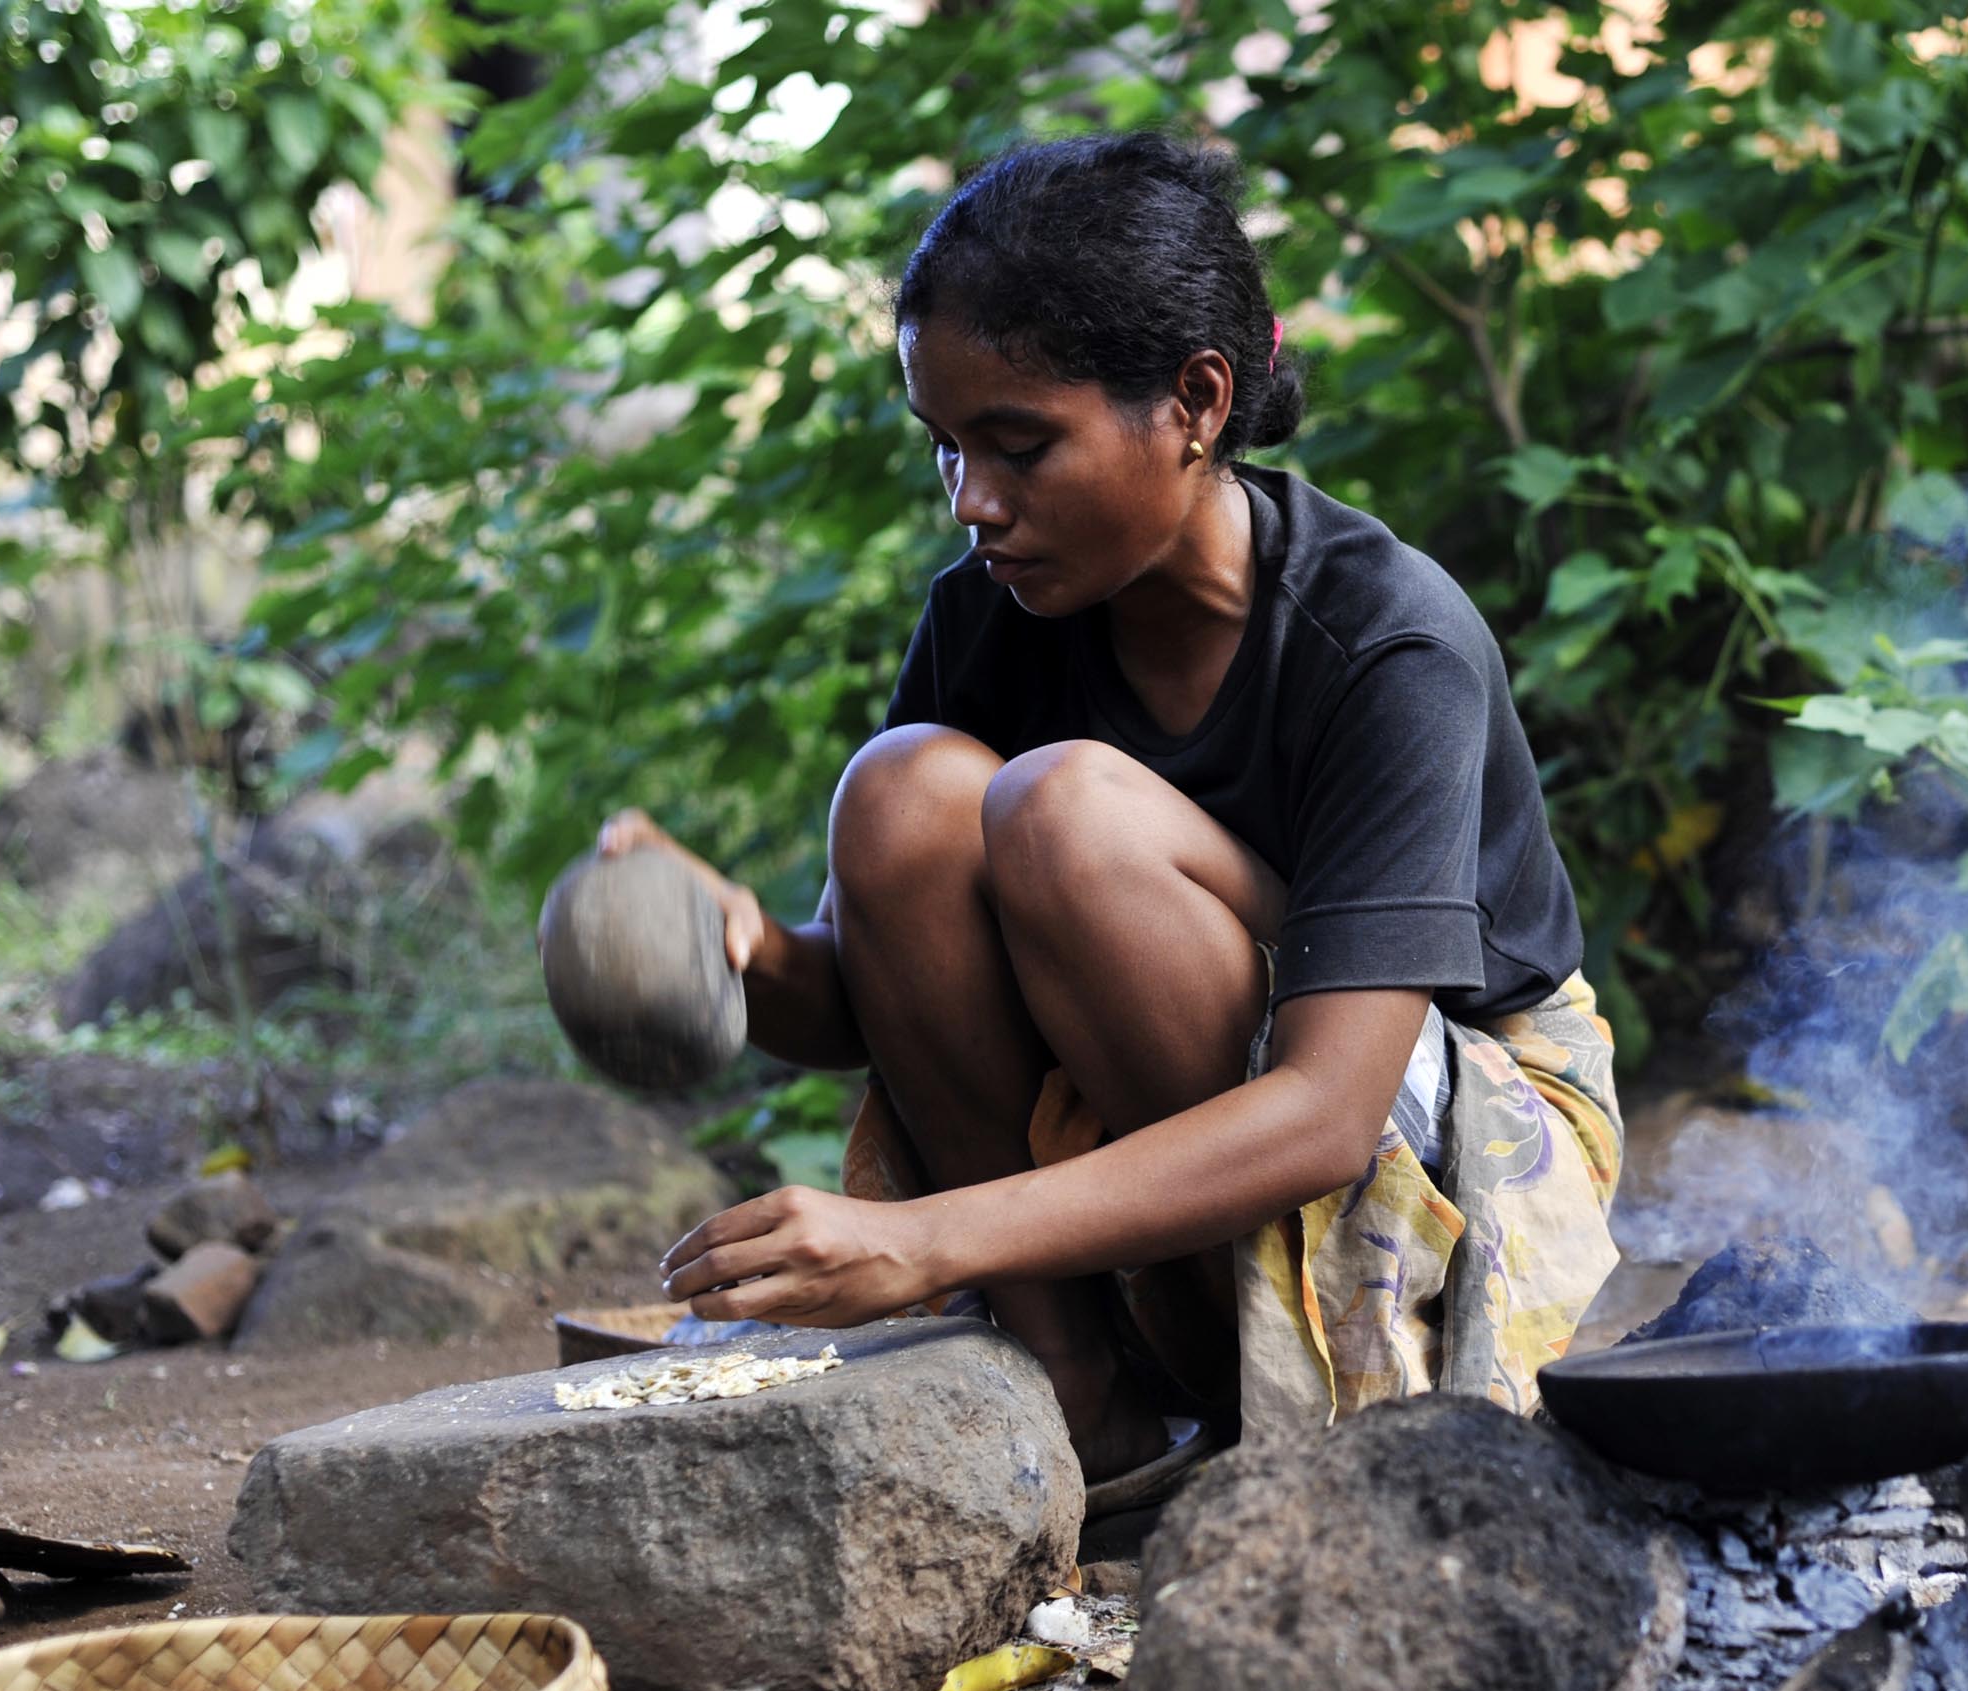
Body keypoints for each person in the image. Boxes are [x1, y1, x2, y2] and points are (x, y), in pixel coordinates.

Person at [609, 132, 1623, 1503]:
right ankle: (1081, 1402)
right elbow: (876, 1003)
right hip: (1182, 1131)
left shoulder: (1388, 641)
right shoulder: (991, 613)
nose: (972, 503)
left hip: (1436, 1147)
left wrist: (926, 1241)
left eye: (1019, 446)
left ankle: (1278, 1402)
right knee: (901, 790)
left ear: (1197, 400)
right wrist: (736, 947)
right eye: (946, 448)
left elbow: (1328, 1113)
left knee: (1061, 809)